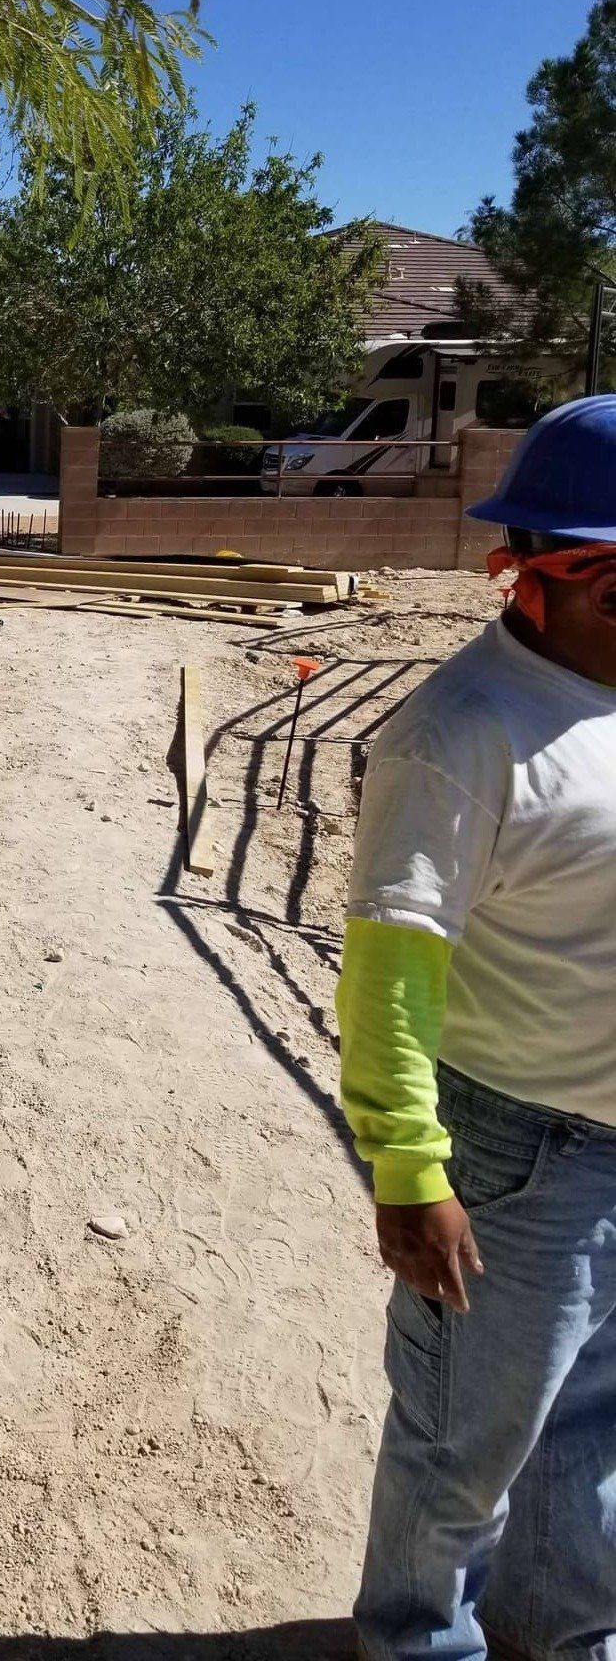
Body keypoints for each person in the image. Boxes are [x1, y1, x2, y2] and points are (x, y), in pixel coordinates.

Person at [335, 394, 616, 1661]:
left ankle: (566, 1638)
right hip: (519, 1159)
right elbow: (393, 970)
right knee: (466, 1450)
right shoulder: (462, 734)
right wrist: (409, 1167)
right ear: (536, 575)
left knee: (595, 1447)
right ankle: (417, 1645)